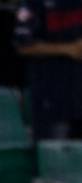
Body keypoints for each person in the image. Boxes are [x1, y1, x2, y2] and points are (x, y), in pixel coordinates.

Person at [14, 0, 82, 140]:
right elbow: (23, 46)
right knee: (53, 149)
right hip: (50, 95)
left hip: (77, 90)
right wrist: (68, 49)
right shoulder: (31, 4)